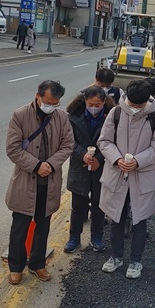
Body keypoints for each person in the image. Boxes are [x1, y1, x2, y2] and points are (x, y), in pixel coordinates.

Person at [98, 79, 155, 279]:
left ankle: (136, 261)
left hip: (143, 175)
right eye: (132, 104)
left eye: (139, 106)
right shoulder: (116, 112)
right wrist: (117, 159)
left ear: (147, 101)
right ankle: (115, 257)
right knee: (116, 217)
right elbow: (104, 141)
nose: (134, 108)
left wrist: (137, 161)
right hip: (117, 173)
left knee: (139, 220)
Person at [6, 80, 74, 285]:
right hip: (26, 180)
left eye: (55, 103)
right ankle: (15, 267)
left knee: (43, 225)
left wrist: (50, 165)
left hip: (49, 180)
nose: (51, 107)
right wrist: (36, 165)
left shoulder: (61, 117)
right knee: (20, 226)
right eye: (48, 102)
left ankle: (37, 263)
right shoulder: (20, 115)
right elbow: (13, 149)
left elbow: (68, 145)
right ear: (38, 96)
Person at [64, 86, 115, 254]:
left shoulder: (112, 117)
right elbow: (69, 141)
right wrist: (82, 154)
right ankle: (74, 238)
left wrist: (99, 159)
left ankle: (97, 237)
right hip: (80, 166)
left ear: (103, 102)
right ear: (85, 101)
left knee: (99, 205)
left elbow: (113, 142)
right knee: (78, 206)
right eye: (91, 104)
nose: (94, 107)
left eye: (98, 104)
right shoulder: (73, 117)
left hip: (101, 168)